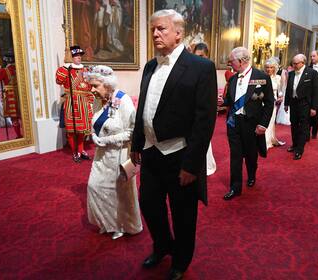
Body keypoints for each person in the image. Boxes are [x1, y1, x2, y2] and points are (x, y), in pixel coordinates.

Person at [130, 9, 217, 280]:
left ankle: (181, 259)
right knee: (148, 204)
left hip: (180, 154)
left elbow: (204, 121)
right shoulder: (149, 66)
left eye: (162, 29)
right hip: (150, 151)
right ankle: (163, 245)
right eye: (153, 29)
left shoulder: (201, 67)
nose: (155, 33)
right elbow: (143, 106)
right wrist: (136, 142)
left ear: (178, 33)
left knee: (182, 214)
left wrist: (192, 164)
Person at [85, 65, 142, 240]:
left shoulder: (123, 100)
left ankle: (122, 225)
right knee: (95, 187)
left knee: (119, 192)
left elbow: (132, 131)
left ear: (107, 84)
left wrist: (106, 140)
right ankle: (107, 221)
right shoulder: (99, 100)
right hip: (101, 155)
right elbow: (95, 123)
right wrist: (94, 136)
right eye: (91, 86)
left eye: (95, 86)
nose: (92, 90)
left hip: (120, 154)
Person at [218, 47, 274, 200]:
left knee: (250, 154)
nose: (230, 64)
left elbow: (269, 103)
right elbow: (230, 100)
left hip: (251, 124)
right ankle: (235, 188)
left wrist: (263, 124)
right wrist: (223, 101)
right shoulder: (233, 79)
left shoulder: (261, 77)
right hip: (233, 123)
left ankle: (251, 174)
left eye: (232, 61)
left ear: (242, 61)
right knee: (235, 156)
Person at [56, 45, 94, 162]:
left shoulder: (85, 70)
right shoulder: (66, 70)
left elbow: (89, 85)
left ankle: (81, 150)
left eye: (79, 56)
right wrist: (65, 68)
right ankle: (74, 152)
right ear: (71, 57)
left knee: (82, 130)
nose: (78, 58)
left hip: (84, 102)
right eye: (75, 56)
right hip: (72, 102)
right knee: (72, 129)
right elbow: (59, 81)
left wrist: (89, 98)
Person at [284, 54, 318, 160]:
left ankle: (299, 150)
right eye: (293, 63)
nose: (294, 65)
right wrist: (286, 103)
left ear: (303, 63)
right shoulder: (290, 74)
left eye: (296, 63)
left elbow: (316, 92)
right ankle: (294, 145)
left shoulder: (312, 73)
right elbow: (288, 90)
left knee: (303, 127)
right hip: (293, 103)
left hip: (305, 104)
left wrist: (314, 107)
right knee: (293, 125)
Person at [193, 43, 217, 176]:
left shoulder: (209, 69)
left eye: (201, 56)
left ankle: (206, 165)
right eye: (196, 56)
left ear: (207, 56)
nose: (199, 59)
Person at [0, 53, 21, 138]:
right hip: (20, 92)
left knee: (14, 116)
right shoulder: (19, 68)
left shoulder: (4, 70)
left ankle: (19, 135)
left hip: (10, 94)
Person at [263, 57, 285, 149]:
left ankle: (267, 142)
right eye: (267, 67)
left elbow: (280, 91)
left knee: (270, 121)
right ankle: (261, 140)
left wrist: (280, 97)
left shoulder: (278, 78)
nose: (269, 69)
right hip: (262, 103)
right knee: (262, 122)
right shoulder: (262, 77)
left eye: (271, 67)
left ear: (275, 68)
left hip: (273, 103)